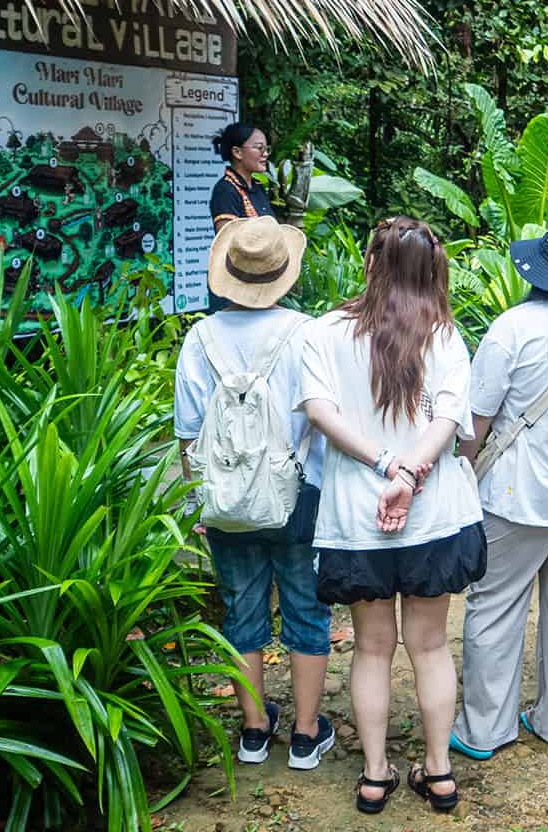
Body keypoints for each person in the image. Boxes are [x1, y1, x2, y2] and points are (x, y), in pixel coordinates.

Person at [299, 216, 485, 815]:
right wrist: (409, 474)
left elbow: (320, 411)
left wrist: (386, 466)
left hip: (358, 520)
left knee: (372, 648)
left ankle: (375, 774)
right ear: (432, 270)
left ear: (371, 263)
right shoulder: (445, 335)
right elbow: (449, 420)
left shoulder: (326, 332)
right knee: (430, 647)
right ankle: (439, 771)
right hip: (434, 518)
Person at [174, 216, 335, 769]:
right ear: (283, 274)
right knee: (306, 608)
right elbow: (326, 416)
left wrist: (199, 502)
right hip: (301, 493)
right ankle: (306, 734)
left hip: (226, 499)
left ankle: (253, 730)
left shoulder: (200, 337)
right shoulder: (309, 333)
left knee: (242, 609)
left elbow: (188, 434)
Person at [450, 217, 548, 761]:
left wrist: (463, 475)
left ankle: (485, 729)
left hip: (514, 496)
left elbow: (476, 422)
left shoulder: (513, 328)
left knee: (495, 608)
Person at [210, 122, 274, 227]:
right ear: (237, 152)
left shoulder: (258, 186)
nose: (265, 154)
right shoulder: (225, 190)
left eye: (266, 149)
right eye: (259, 148)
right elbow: (227, 235)